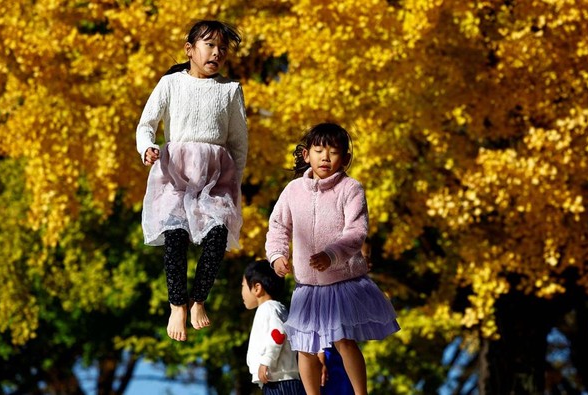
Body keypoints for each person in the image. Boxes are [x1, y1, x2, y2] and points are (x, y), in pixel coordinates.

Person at [265, 122, 400, 394]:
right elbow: (278, 226)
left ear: (346, 158)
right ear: (307, 155)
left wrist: (332, 255)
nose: (325, 157)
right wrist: (277, 255)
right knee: (303, 346)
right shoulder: (293, 191)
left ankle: (361, 393)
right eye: (318, 150)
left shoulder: (351, 189)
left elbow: (356, 232)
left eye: (334, 152)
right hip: (307, 287)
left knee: (344, 341)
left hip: (341, 281)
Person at [136, 20, 248, 341]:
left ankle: (198, 300)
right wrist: (147, 148)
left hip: (216, 179)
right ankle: (177, 305)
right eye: (210, 45)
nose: (217, 53)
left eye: (222, 48)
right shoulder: (170, 84)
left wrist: (234, 185)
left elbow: (239, 143)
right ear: (190, 50)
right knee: (175, 237)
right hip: (175, 175)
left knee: (217, 236)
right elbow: (147, 124)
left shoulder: (230, 91)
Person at [241, 260, 306, 394]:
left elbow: (278, 334)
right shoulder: (278, 308)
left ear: (257, 288)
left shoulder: (267, 308)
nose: (241, 292)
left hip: (279, 381)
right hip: (282, 379)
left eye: (243, 286)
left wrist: (266, 361)